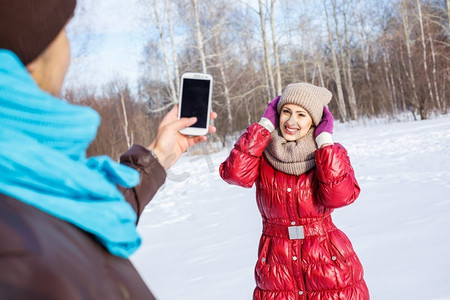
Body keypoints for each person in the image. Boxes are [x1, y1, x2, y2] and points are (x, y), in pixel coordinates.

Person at [0, 0, 216, 299]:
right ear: (34, 53)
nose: (68, 48)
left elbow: (83, 210)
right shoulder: (16, 255)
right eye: (63, 31)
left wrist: (158, 155)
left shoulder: (34, 174)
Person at [220, 83, 369, 299]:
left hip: (326, 262)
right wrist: (263, 127)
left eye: (301, 115)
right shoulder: (262, 153)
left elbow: (341, 197)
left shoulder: (327, 154)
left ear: (314, 121)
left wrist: (325, 142)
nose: (291, 121)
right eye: (286, 112)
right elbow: (235, 174)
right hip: (277, 265)